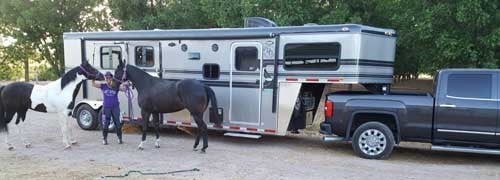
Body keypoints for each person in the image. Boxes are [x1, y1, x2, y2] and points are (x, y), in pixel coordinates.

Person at [92, 72, 124, 145]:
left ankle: (119, 138)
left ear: (112, 78)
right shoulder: (103, 86)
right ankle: (104, 139)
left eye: (109, 78)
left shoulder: (116, 86)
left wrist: (125, 84)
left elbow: (123, 89)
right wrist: (93, 78)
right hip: (106, 108)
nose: (107, 79)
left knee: (118, 123)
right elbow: (93, 84)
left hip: (115, 107)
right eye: (106, 78)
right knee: (105, 124)